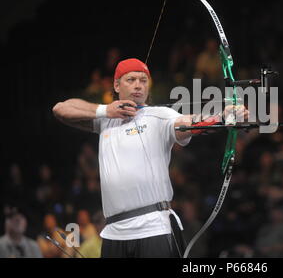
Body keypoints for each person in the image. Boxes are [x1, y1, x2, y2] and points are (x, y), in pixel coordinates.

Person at [52, 58, 249, 258]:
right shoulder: (105, 120)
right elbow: (60, 109)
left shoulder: (159, 115)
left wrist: (223, 118)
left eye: (143, 80)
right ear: (116, 85)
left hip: (153, 228)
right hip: (114, 231)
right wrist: (106, 110)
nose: (138, 85)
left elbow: (187, 123)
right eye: (131, 79)